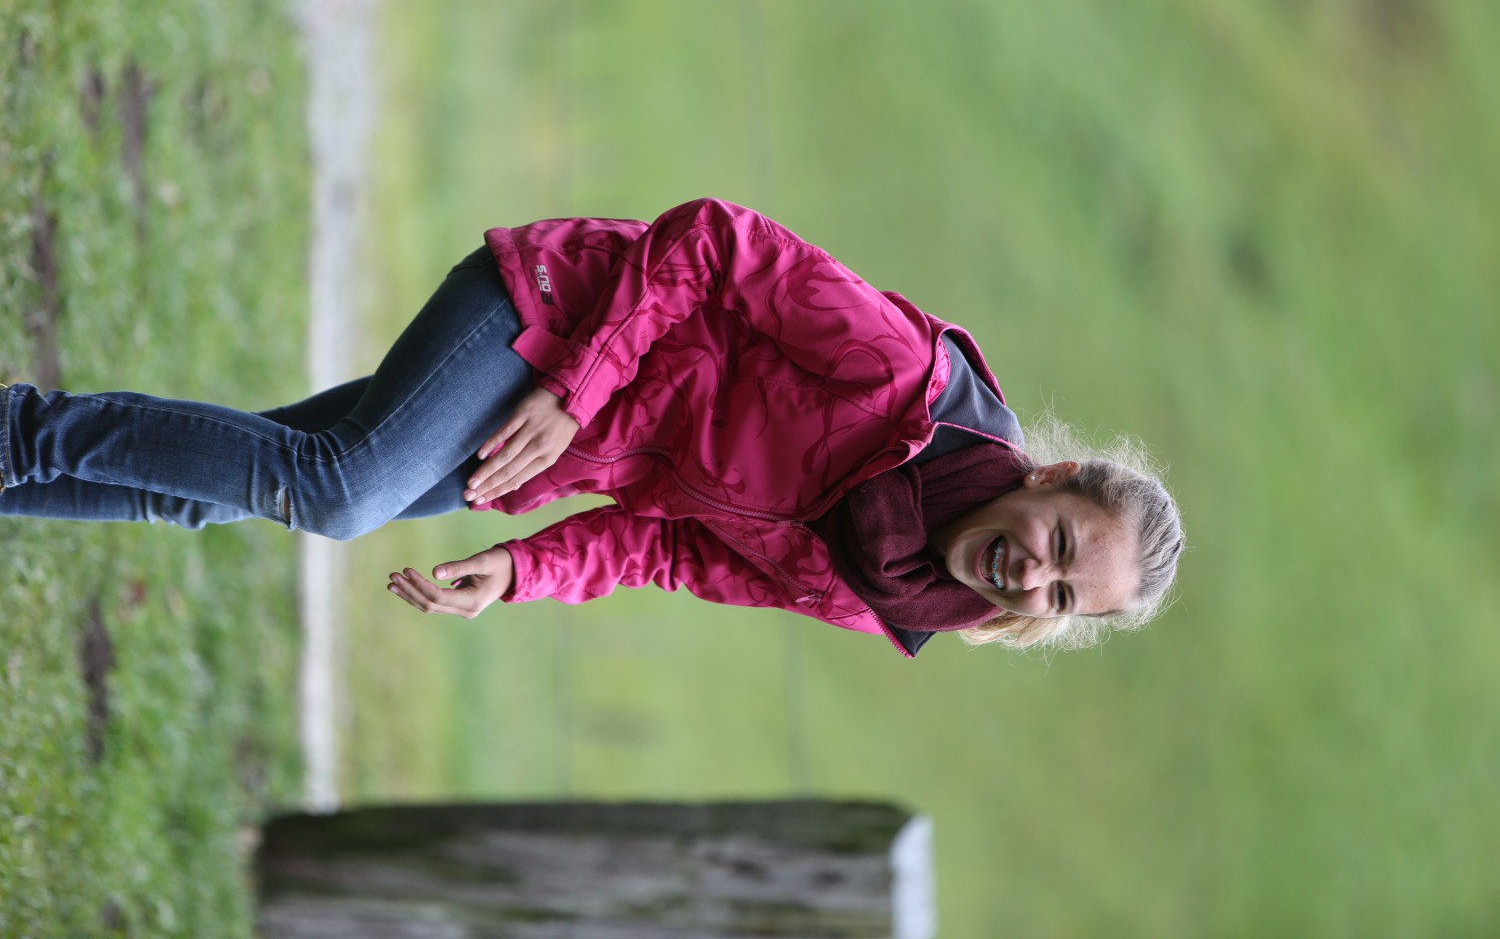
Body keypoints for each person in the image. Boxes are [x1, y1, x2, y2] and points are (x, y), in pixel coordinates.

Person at [1, 198, 1183, 656]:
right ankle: (14, 434)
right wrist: (579, 385)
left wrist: (523, 571)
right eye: (1062, 544)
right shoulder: (900, 380)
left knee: (230, 481)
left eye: (1064, 595)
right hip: (560, 318)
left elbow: (670, 549)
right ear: (1054, 474)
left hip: (545, 450)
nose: (1035, 575)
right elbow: (715, 240)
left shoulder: (882, 596)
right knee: (336, 489)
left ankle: (15, 451)